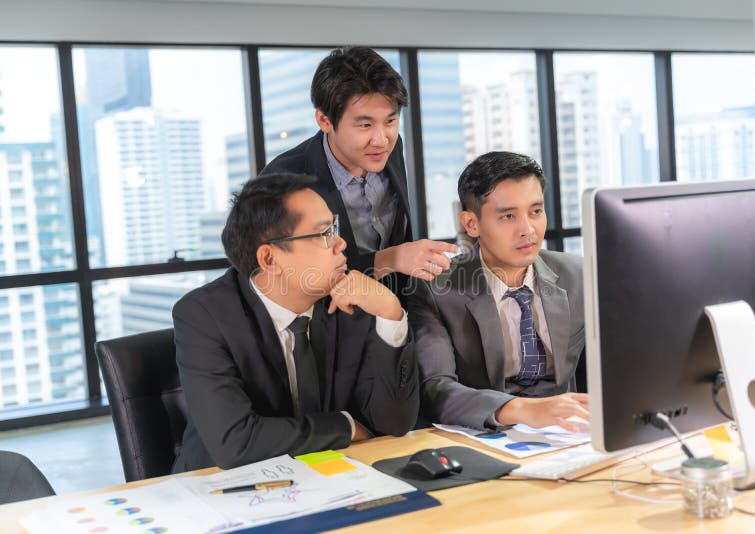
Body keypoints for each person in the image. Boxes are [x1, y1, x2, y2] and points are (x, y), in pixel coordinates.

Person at [172, 173, 419, 472]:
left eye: (335, 227)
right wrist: (346, 426)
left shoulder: (350, 298)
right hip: (224, 490)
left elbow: (393, 423)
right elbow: (237, 443)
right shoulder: (204, 315)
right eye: (323, 233)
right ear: (270, 259)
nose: (340, 243)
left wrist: (390, 313)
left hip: (332, 479)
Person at [408, 152, 589, 431]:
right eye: (508, 216)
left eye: (536, 211)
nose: (527, 229)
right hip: (485, 432)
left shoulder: (578, 275)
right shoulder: (435, 291)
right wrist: (519, 410)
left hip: (570, 433)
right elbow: (436, 389)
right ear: (471, 224)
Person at [260, 46, 457, 287]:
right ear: (325, 120)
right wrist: (390, 259)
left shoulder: (391, 148)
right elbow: (290, 276)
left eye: (391, 121)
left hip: (395, 310)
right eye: (365, 125)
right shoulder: (284, 178)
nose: (381, 139)